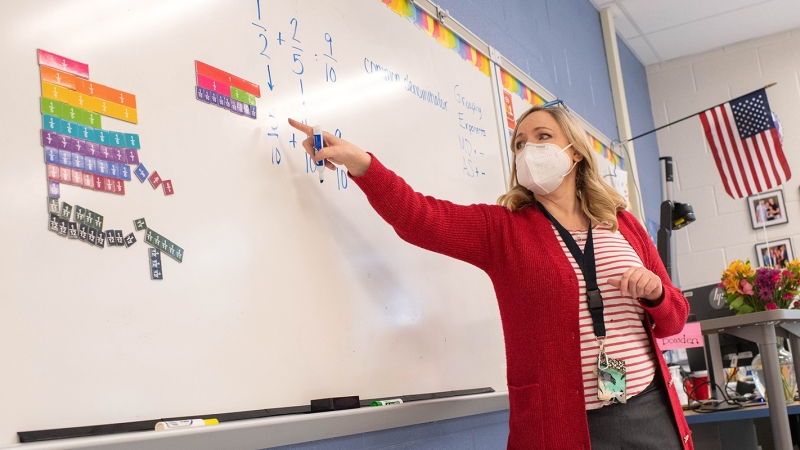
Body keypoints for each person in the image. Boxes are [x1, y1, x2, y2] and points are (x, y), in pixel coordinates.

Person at [288, 103, 691, 450]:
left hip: (648, 411)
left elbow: (674, 318)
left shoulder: (621, 223)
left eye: (543, 136)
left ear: (575, 152)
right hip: (562, 426)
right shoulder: (503, 229)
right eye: (519, 143)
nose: (528, 148)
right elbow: (419, 218)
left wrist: (656, 294)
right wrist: (363, 165)